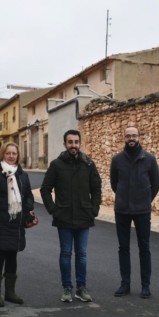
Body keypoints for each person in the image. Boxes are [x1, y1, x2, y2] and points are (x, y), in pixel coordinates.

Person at [41, 129, 102, 303]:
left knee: (82, 254)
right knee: (66, 253)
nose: (73, 145)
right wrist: (53, 209)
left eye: (76, 142)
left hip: (84, 216)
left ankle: (81, 288)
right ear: (65, 144)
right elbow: (45, 189)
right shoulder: (56, 165)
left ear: (80, 143)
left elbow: (96, 188)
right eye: (70, 142)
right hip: (64, 217)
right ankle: (67, 288)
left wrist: (94, 209)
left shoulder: (89, 164)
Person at [0, 142, 37, 307]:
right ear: (2, 155)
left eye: (14, 153)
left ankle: (10, 293)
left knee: (12, 257)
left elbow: (28, 197)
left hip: (15, 224)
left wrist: (28, 214)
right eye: (8, 153)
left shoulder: (22, 175)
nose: (11, 156)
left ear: (18, 156)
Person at [110, 126, 159, 299]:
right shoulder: (117, 160)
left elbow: (156, 185)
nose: (131, 138)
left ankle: (145, 286)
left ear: (139, 137)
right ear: (124, 138)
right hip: (122, 210)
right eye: (128, 136)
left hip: (142, 211)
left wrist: (145, 200)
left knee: (144, 248)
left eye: (134, 135)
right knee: (123, 248)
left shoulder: (149, 160)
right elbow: (114, 184)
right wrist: (124, 197)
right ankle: (125, 284)